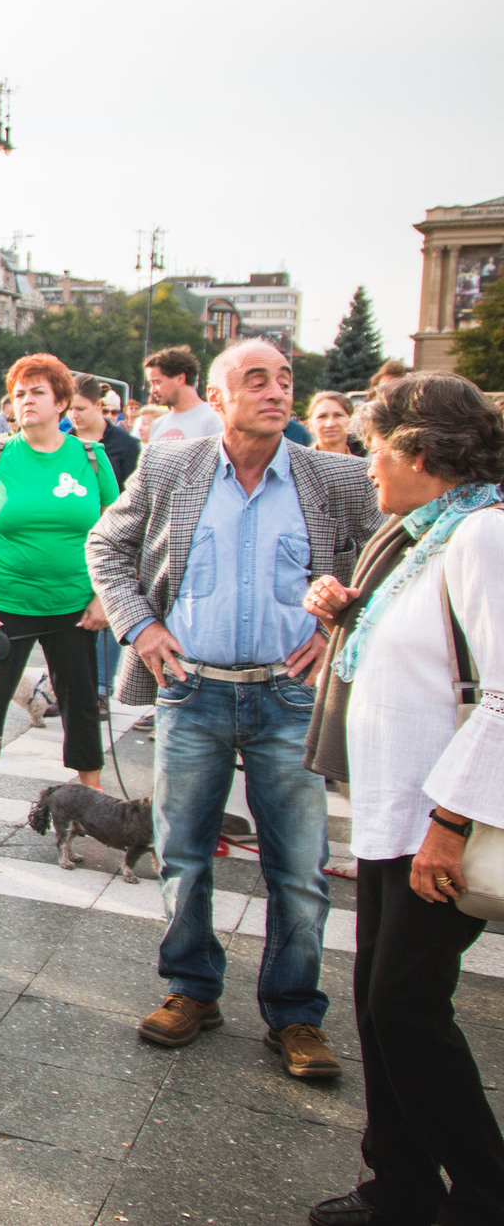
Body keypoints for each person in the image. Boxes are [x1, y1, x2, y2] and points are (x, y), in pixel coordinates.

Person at [87, 337, 381, 1076]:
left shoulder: (335, 475)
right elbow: (106, 545)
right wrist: (141, 625)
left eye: (285, 379)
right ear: (218, 399)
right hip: (194, 687)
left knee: (300, 866)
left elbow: (400, 555)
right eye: (257, 380)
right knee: (183, 851)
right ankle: (191, 987)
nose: (277, 391)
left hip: (289, 695)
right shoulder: (171, 464)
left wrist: (341, 626)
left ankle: (295, 1013)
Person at [301, 372, 504, 1226]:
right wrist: (344, 607)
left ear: (420, 453)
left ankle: (486, 1189)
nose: (364, 461)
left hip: (438, 819)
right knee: (377, 1003)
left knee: (404, 1007)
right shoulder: (422, 531)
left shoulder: (484, 535)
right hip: (395, 811)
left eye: (375, 446)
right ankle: (400, 1184)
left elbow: (501, 693)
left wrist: (450, 826)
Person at [0, 355, 117, 812]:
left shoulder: (90, 456)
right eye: (20, 394)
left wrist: (103, 596)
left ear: (62, 402)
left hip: (74, 603)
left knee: (81, 701)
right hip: (7, 601)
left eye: (38, 393)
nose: (26, 402)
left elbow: (114, 531)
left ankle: (91, 791)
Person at [69, 374, 141, 715]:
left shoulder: (124, 445)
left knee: (105, 611)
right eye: (68, 409)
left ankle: (100, 689)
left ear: (99, 406)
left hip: (113, 537)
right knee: (72, 617)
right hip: (70, 541)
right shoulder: (62, 442)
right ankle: (66, 686)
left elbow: (135, 495)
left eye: (81, 409)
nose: (74, 416)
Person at [144, 345, 224, 443]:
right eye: (151, 384)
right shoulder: (158, 425)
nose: (153, 391)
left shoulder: (215, 419)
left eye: (157, 383)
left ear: (180, 378)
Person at [307, 390, 363, 458]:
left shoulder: (363, 467)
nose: (330, 424)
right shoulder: (297, 465)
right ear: (310, 425)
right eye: (322, 416)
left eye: (338, 415)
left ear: (351, 421)